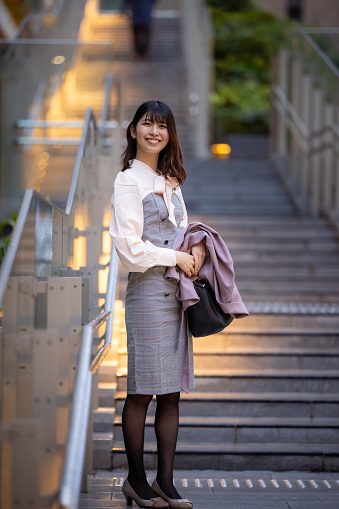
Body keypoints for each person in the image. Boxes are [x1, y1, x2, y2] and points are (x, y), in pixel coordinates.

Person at [109, 100, 205, 508]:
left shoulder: (170, 180)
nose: (155, 131)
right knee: (142, 392)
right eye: (147, 124)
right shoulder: (127, 182)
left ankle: (166, 482)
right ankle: (136, 480)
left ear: (170, 134)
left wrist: (195, 248)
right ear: (133, 131)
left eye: (162, 126)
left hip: (177, 293)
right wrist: (175, 258)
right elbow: (130, 250)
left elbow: (180, 231)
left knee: (171, 394)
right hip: (148, 292)